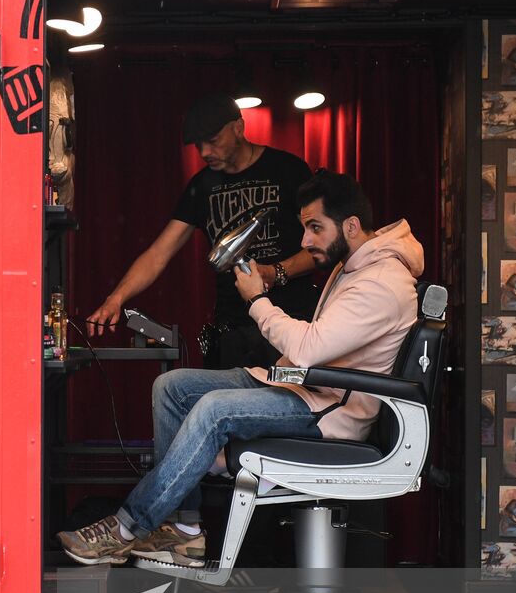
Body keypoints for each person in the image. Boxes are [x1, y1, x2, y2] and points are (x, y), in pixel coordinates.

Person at [59, 171, 423, 567]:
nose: (305, 241)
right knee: (172, 386)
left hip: (331, 409)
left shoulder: (381, 283)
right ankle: (185, 530)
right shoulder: (354, 265)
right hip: (304, 388)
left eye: (315, 228)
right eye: (305, 228)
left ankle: (127, 528)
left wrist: (257, 301)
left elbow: (308, 348)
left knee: (215, 409)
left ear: (351, 225)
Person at [86, 91, 319, 372]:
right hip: (234, 332)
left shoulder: (287, 170)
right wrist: (117, 298)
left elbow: (323, 247)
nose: (205, 152)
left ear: (238, 128)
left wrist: (276, 272)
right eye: (199, 145)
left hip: (291, 325)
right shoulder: (202, 186)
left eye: (213, 141)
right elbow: (159, 253)